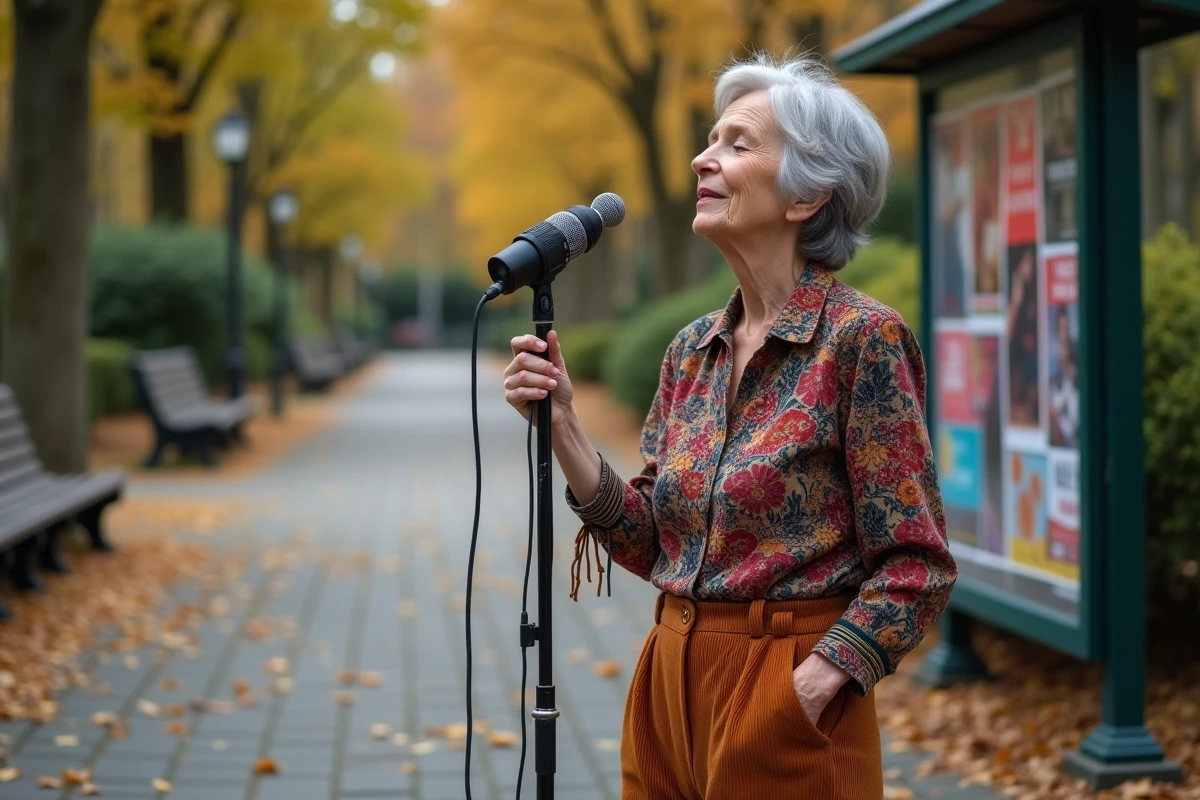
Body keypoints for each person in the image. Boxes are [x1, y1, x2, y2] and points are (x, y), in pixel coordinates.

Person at [502, 53, 956, 799]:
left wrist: (815, 681)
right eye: (712, 140)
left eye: (737, 144)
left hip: (787, 682)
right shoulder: (691, 351)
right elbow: (651, 539)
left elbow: (917, 565)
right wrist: (563, 427)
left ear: (808, 194)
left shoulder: (860, 340)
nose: (701, 158)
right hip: (669, 675)